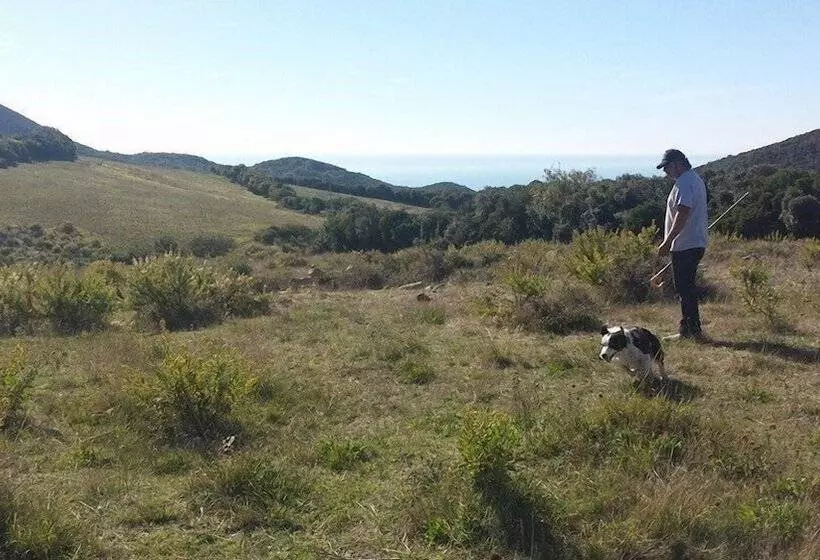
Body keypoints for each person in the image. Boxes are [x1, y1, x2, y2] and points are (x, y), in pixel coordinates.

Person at [655, 148, 708, 340]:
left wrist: (667, 241)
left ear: (677, 163)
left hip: (686, 244)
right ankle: (689, 328)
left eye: (667, 167)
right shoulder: (693, 180)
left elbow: (683, 212)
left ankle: (691, 331)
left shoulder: (685, 183)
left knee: (685, 289)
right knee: (686, 288)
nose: (665, 172)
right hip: (693, 242)